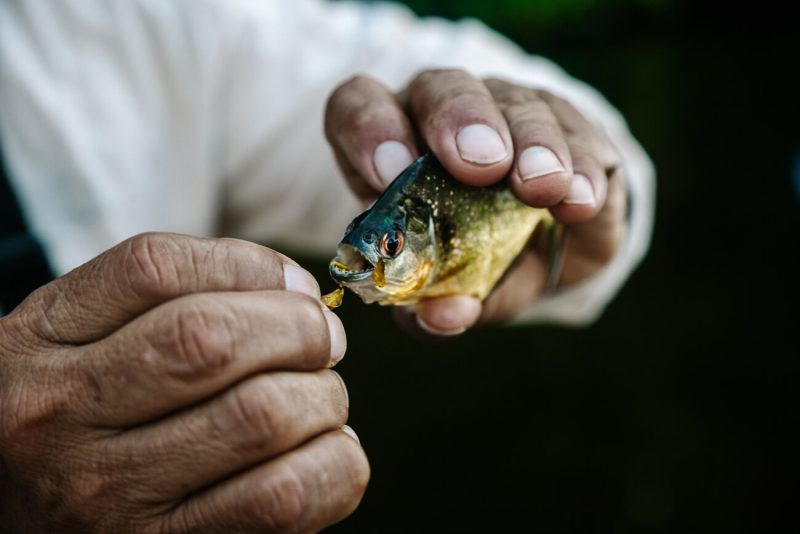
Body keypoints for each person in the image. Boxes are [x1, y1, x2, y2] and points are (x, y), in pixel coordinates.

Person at [0, 0, 654, 531]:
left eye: (385, 248)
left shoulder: (122, 24)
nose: (362, 260)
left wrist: (560, 154)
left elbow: (606, 144)